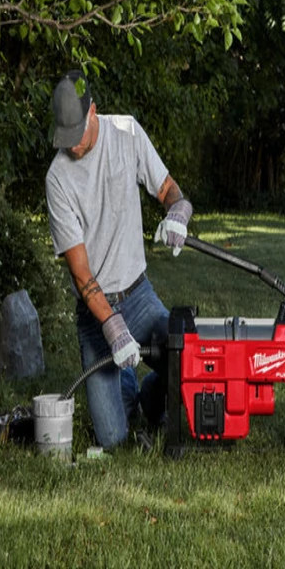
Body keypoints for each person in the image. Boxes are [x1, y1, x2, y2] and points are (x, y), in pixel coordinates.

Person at [44, 70, 192, 449]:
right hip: (96, 318)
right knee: (112, 438)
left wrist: (178, 212)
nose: (72, 146)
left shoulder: (125, 133)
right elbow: (80, 274)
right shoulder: (57, 179)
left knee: (187, 365)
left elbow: (168, 189)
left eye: (77, 133)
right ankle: (124, 384)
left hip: (138, 295)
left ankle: (150, 393)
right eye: (65, 137)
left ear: (93, 111)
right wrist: (110, 326)